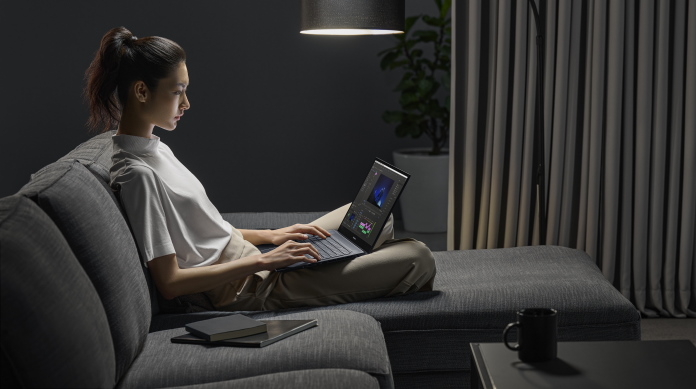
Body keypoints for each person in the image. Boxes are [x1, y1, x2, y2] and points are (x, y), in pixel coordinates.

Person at [84, 26, 436, 311]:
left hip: (254, 257)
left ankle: (340, 258)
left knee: (376, 217)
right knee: (416, 257)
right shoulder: (136, 175)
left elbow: (208, 233)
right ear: (142, 91)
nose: (187, 104)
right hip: (246, 286)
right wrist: (267, 262)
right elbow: (170, 283)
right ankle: (343, 268)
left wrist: (273, 236)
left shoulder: (155, 149)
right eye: (178, 92)